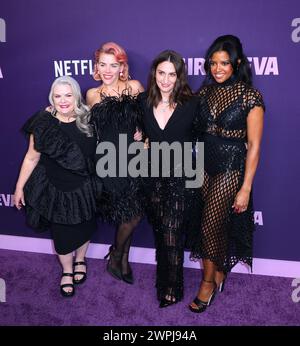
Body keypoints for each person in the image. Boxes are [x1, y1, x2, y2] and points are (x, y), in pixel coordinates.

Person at [189, 35, 265, 313]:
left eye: (224, 63)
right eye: (213, 63)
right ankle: (218, 272)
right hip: (203, 166)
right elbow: (184, 122)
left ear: (237, 63)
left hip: (232, 168)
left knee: (209, 226)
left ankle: (207, 284)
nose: (217, 69)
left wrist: (245, 188)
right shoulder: (204, 93)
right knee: (213, 226)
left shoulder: (250, 96)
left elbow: (255, 146)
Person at [14, 76, 102, 297]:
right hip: (57, 190)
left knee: (85, 228)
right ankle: (67, 270)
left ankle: (81, 259)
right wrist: (19, 188)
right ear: (51, 98)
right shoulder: (43, 124)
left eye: (68, 95)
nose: (63, 101)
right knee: (62, 238)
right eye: (57, 96)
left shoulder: (89, 119)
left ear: (76, 96)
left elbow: (108, 145)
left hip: (86, 188)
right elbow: (31, 158)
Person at [138, 50, 200, 307]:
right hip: (152, 177)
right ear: (155, 74)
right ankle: (164, 280)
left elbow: (203, 138)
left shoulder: (192, 103)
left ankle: (171, 288)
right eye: (161, 73)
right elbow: (139, 136)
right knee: (162, 233)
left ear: (179, 77)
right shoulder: (142, 101)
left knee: (172, 233)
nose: (165, 79)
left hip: (181, 177)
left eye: (171, 74)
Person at [86, 42, 144, 284]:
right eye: (103, 64)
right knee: (127, 214)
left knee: (133, 212)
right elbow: (89, 130)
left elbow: (148, 117)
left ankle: (120, 257)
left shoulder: (134, 87)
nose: (108, 70)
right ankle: (118, 257)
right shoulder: (92, 94)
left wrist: (142, 133)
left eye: (114, 65)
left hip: (135, 159)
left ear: (122, 67)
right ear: (97, 67)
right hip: (108, 161)